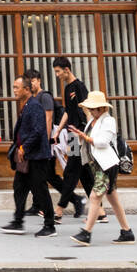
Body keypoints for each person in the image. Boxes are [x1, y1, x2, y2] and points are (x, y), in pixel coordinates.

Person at [70, 91, 135, 246]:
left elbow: (102, 142)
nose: (91, 111)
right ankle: (127, 232)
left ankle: (86, 233)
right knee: (113, 199)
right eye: (90, 109)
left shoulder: (108, 121)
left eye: (93, 108)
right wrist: (81, 137)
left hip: (107, 165)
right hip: (96, 165)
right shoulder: (92, 121)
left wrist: (85, 137)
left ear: (101, 108)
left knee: (94, 197)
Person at [1, 74, 56, 236]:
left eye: (16, 88)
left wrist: (24, 147)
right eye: (14, 88)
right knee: (19, 187)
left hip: (36, 157)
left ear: (26, 89)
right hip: (27, 157)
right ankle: (18, 221)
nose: (14, 91)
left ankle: (50, 225)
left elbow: (39, 131)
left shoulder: (34, 105)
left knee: (40, 190)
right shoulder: (26, 105)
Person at [21, 68, 65, 218]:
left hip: (57, 142)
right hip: (43, 145)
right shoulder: (32, 100)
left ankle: (76, 201)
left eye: (33, 81)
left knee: (61, 174)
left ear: (39, 81)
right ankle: (38, 206)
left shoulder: (44, 97)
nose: (31, 84)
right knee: (42, 177)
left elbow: (47, 120)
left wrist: (44, 143)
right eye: (29, 81)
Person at [52, 56, 93, 218]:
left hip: (79, 135)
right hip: (72, 134)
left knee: (70, 171)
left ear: (66, 70)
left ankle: (59, 210)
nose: (57, 75)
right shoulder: (68, 88)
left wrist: (88, 133)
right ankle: (101, 212)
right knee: (84, 173)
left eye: (58, 72)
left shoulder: (79, 87)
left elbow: (87, 110)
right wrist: (58, 131)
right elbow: (68, 112)